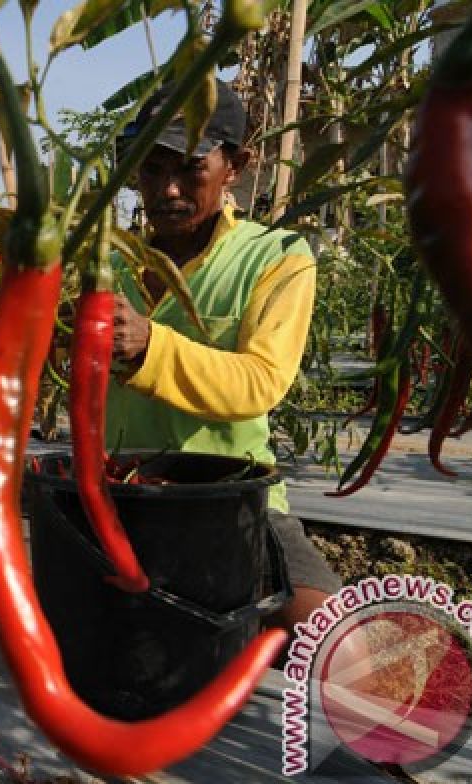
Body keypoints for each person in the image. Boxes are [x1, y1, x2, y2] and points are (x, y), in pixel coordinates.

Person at [105, 79, 341, 632]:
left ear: (236, 165)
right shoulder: (109, 262)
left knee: (338, 643)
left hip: (232, 502)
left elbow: (260, 382)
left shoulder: (277, 257)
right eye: (153, 168)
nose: (167, 189)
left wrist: (149, 346)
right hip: (119, 495)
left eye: (190, 168)